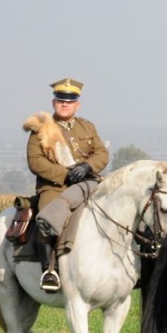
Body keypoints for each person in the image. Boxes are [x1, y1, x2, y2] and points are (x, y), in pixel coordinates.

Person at [28, 78, 109, 292]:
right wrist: (66, 174)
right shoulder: (40, 129)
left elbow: (101, 153)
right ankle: (49, 270)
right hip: (55, 187)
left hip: (87, 184)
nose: (65, 104)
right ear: (54, 102)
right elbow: (36, 161)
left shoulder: (87, 126)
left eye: (70, 100)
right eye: (61, 100)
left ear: (77, 104)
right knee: (49, 215)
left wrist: (87, 167)